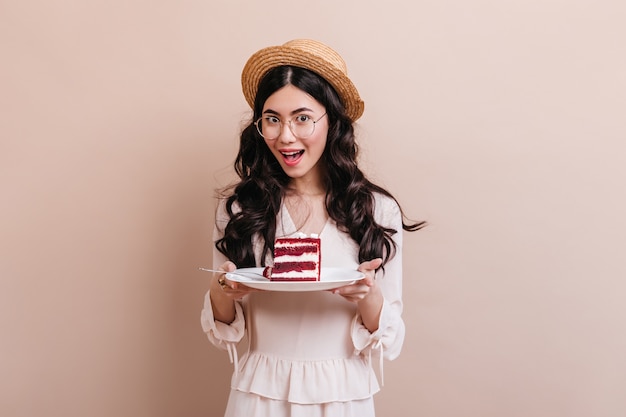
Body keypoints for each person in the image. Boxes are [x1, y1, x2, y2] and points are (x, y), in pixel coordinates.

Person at [201, 39, 425, 417]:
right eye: (272, 119)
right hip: (260, 394)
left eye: (302, 118)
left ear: (332, 121)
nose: (285, 136)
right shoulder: (240, 209)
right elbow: (225, 325)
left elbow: (386, 336)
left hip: (343, 396)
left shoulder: (374, 210)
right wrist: (222, 289)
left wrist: (366, 295)